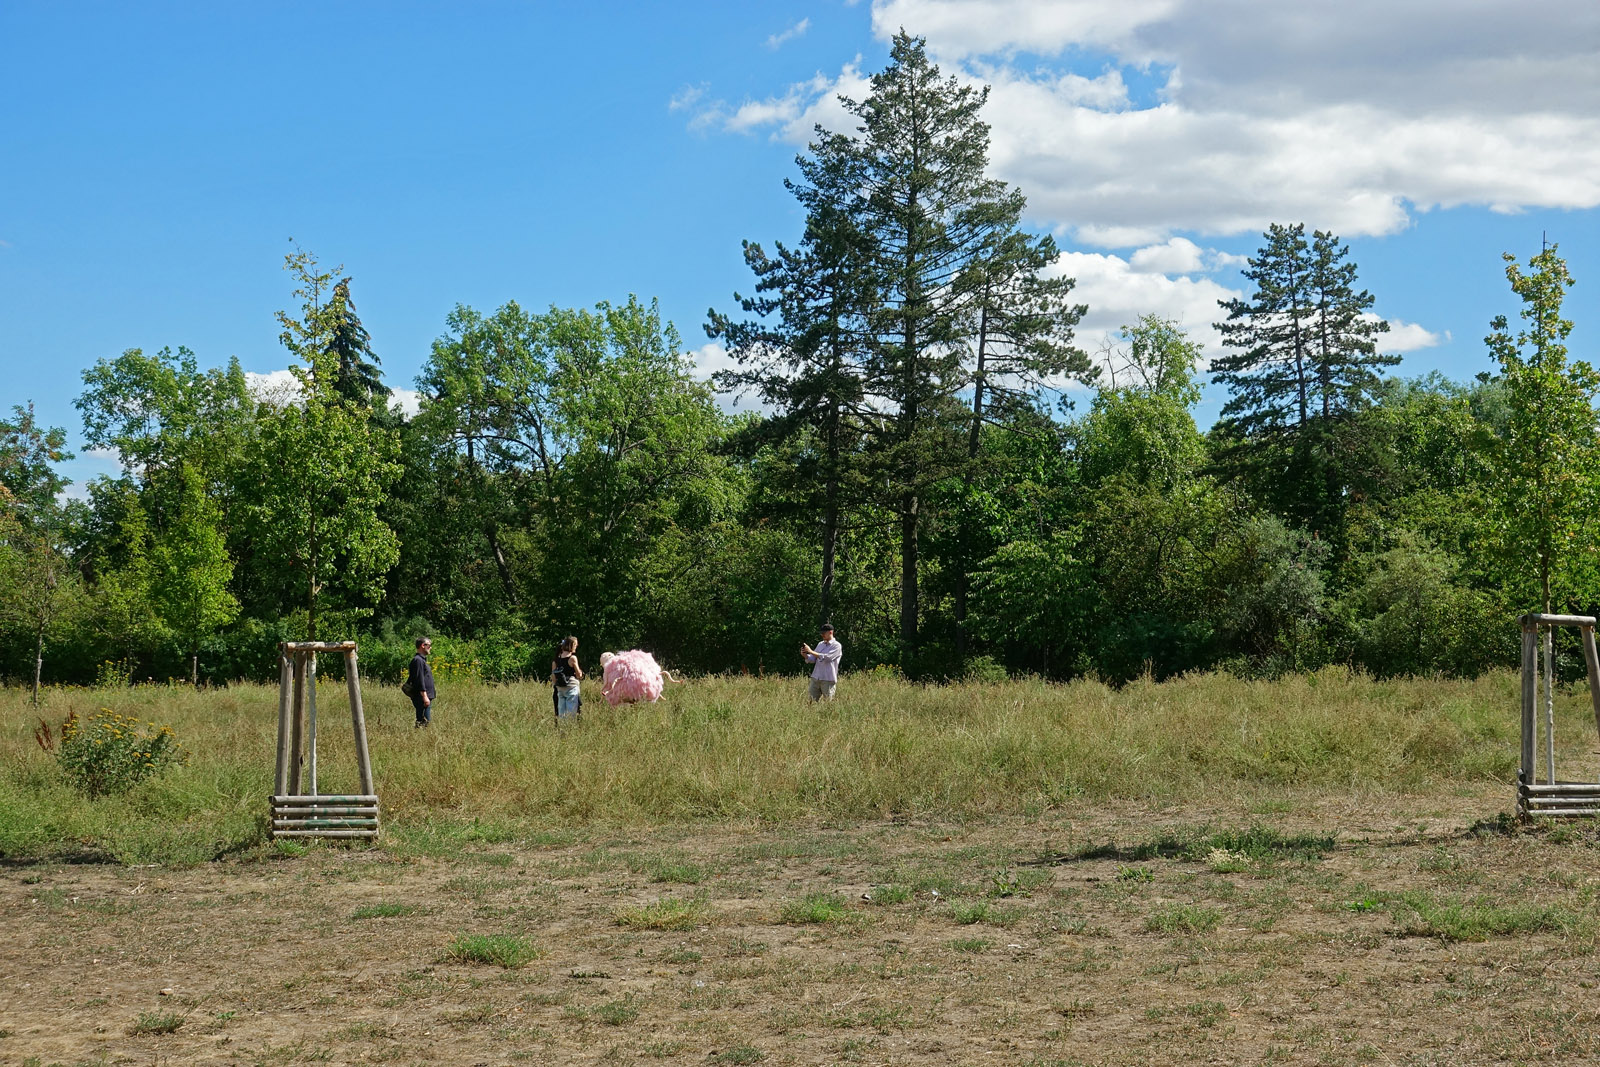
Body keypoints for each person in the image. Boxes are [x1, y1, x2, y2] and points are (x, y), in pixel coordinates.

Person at [801, 623, 842, 702]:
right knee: (810, 702)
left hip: (828, 679)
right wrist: (805, 655)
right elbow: (813, 658)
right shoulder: (820, 644)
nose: (822, 635)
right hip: (816, 677)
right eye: (821, 633)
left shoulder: (837, 646)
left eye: (824, 633)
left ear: (831, 632)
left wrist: (810, 651)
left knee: (828, 703)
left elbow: (827, 658)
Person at [552, 636, 584, 722]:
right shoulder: (572, 658)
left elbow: (553, 677)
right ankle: (571, 730)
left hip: (560, 688)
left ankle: (562, 731)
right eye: (575, 645)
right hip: (571, 687)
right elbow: (578, 675)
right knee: (571, 713)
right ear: (572, 645)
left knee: (562, 713)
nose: (576, 647)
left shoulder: (555, 661)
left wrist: (557, 686)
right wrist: (580, 674)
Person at [407, 637, 436, 728]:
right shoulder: (418, 660)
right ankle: (419, 738)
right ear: (423, 646)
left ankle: (418, 736)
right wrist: (425, 697)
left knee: (423, 721)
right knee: (424, 722)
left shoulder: (421, 660)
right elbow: (419, 680)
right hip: (422, 697)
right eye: (429, 645)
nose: (430, 648)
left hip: (424, 697)